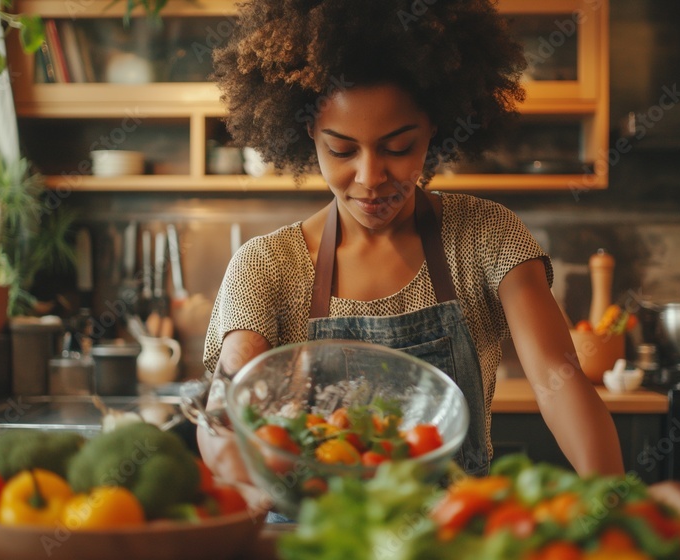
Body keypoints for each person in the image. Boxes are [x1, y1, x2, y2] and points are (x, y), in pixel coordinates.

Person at [197, 0, 625, 483]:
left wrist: (611, 501)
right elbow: (229, 402)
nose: (371, 177)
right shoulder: (265, 265)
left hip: (452, 536)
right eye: (341, 150)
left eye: (399, 147)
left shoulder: (486, 236)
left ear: (435, 129)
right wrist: (230, 440)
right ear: (307, 134)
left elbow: (556, 381)